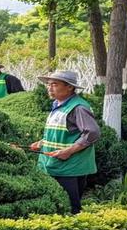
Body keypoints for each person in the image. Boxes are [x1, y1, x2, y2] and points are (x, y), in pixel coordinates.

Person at [30, 70, 100, 214]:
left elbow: (92, 133)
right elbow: (63, 131)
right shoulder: (58, 104)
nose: (50, 88)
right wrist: (42, 142)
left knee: (70, 208)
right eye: (49, 85)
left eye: (54, 84)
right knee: (57, 207)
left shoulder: (79, 107)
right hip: (53, 164)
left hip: (70, 169)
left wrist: (68, 151)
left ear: (69, 87)